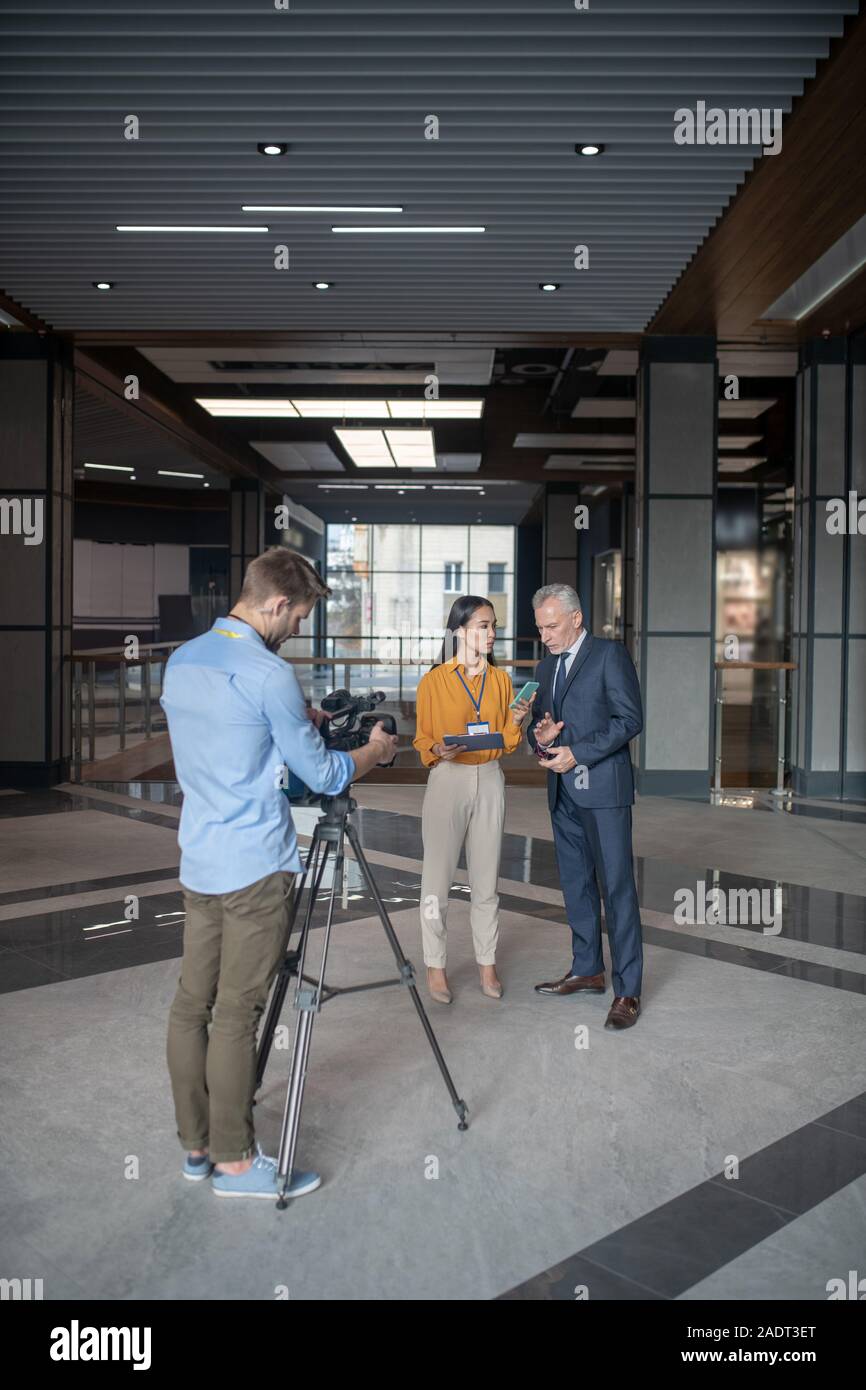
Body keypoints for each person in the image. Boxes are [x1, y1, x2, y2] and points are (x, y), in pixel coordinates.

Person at [160, 548, 398, 1199]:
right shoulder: (268, 675)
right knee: (239, 1012)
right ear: (275, 604)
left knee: (192, 1006)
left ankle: (197, 1147)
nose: (296, 628)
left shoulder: (181, 662)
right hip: (257, 870)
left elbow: (227, 738)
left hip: (200, 860)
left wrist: (297, 721)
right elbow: (322, 776)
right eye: (297, 616)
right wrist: (373, 752)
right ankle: (237, 1164)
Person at [527, 584, 645, 1029]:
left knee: (616, 889)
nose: (545, 635)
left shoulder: (609, 657)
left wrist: (578, 753)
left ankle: (628, 990)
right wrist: (539, 739)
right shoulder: (545, 665)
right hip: (562, 794)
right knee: (576, 886)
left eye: (552, 626)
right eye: (540, 627)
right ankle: (587, 970)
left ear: (577, 619)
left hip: (604, 792)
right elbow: (543, 724)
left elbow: (629, 719)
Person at [413, 595, 532, 1003]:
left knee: (486, 881)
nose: (491, 633)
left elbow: (507, 739)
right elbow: (422, 739)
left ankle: (487, 963)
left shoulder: (501, 681)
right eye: (483, 625)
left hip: (491, 779)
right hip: (448, 779)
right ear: (460, 630)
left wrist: (515, 721)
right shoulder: (434, 680)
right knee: (437, 880)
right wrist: (437, 751)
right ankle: (435, 966)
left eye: (493, 625)